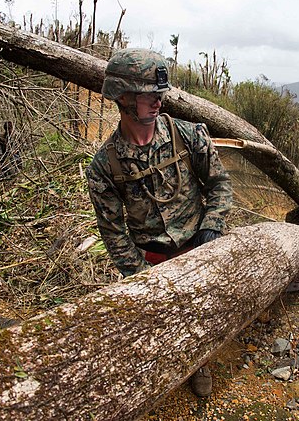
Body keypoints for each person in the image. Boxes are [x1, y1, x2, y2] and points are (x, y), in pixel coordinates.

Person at [85, 48, 233, 398]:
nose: (157, 103)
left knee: (203, 312)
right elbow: (113, 233)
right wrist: (141, 277)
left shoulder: (189, 135)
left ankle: (200, 360)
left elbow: (220, 185)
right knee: (161, 321)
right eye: (149, 96)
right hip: (151, 260)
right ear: (122, 97)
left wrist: (212, 226)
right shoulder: (105, 167)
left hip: (199, 246)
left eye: (159, 95)